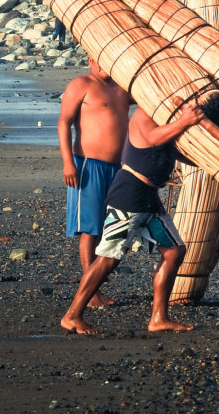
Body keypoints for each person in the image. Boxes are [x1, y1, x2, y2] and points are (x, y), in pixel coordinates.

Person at [61, 100, 204, 335]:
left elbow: (175, 150)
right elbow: (153, 138)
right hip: (129, 196)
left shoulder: (167, 119)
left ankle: (159, 317)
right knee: (108, 258)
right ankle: (72, 315)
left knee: (174, 250)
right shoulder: (144, 115)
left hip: (149, 199)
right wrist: (184, 121)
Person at [58, 59, 131, 310]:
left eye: (108, 60)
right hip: (89, 166)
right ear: (90, 60)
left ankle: (94, 285)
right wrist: (68, 163)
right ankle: (91, 293)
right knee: (90, 229)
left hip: (119, 167)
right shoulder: (82, 84)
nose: (104, 65)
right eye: (98, 60)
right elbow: (64, 123)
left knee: (108, 226)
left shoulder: (123, 88)